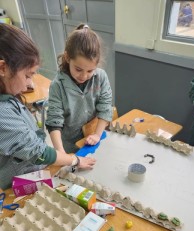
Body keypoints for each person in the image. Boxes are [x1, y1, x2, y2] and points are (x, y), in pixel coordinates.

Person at [0, 24, 96, 190]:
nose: (29, 84)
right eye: (27, 75)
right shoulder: (3, 113)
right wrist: (75, 160)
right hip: (15, 183)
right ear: (3, 68)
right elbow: (39, 152)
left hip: (31, 170)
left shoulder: (7, 96)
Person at [45, 24, 113, 154]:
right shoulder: (58, 86)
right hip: (69, 145)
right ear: (67, 58)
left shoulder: (101, 77)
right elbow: (54, 121)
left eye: (90, 71)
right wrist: (61, 153)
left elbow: (105, 108)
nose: (84, 76)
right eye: (78, 69)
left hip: (93, 136)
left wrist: (97, 135)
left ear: (97, 64)